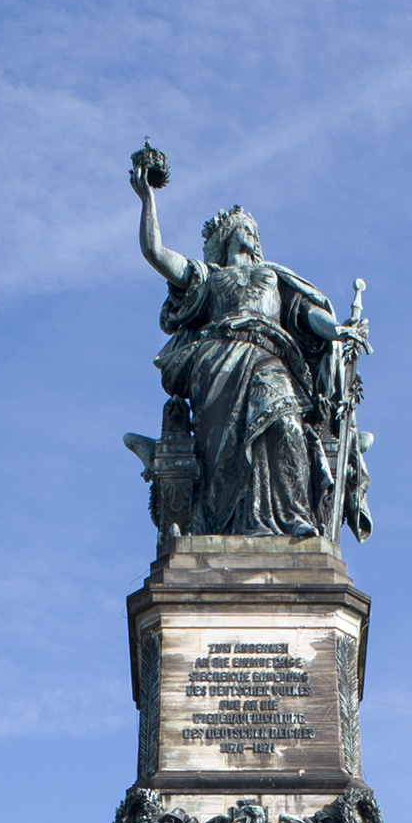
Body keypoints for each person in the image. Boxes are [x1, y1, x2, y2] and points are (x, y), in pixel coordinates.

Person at [134, 162, 368, 540]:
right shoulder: (208, 278)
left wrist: (338, 330)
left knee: (285, 423)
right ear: (228, 235)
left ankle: (290, 520)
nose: (254, 236)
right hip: (217, 363)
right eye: (246, 228)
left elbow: (310, 316)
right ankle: (217, 521)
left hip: (269, 357)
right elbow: (155, 253)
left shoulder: (274, 277)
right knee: (219, 454)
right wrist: (148, 200)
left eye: (257, 232)